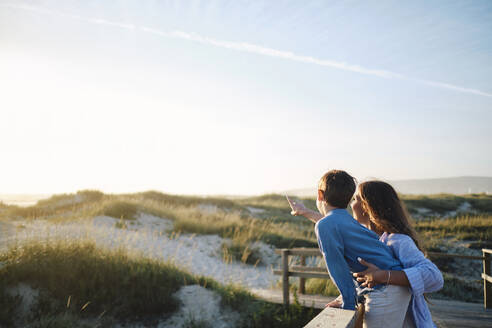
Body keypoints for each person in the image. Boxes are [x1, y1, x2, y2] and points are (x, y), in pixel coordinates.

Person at [287, 170, 411, 327]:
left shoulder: (325, 225)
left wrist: (347, 303)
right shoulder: (346, 220)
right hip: (393, 286)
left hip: (384, 290)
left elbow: (336, 267)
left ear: (320, 195)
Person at [351, 181, 443, 328]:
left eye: (355, 199)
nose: (351, 203)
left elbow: (434, 277)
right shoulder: (369, 241)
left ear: (366, 207)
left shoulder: (397, 240)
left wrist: (383, 275)